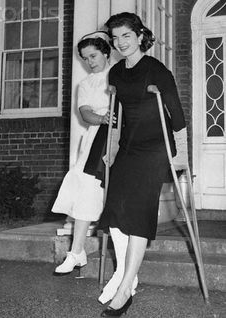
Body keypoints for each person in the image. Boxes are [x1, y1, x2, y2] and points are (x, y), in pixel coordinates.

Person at [98, 12, 188, 317]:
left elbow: (177, 117)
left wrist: (181, 156)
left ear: (139, 36)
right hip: (129, 147)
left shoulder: (156, 70)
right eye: (115, 37)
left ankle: (125, 289)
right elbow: (116, 118)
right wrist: (111, 148)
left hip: (157, 147)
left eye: (126, 36)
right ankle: (128, 273)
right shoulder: (116, 74)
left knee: (136, 213)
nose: (120, 43)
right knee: (114, 213)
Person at [52, 31, 113, 275]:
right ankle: (77, 251)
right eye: (85, 58)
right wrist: (103, 117)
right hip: (96, 138)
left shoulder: (119, 74)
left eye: (94, 55)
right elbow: (86, 113)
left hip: (123, 138)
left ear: (106, 52)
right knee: (84, 188)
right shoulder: (86, 84)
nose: (90, 61)